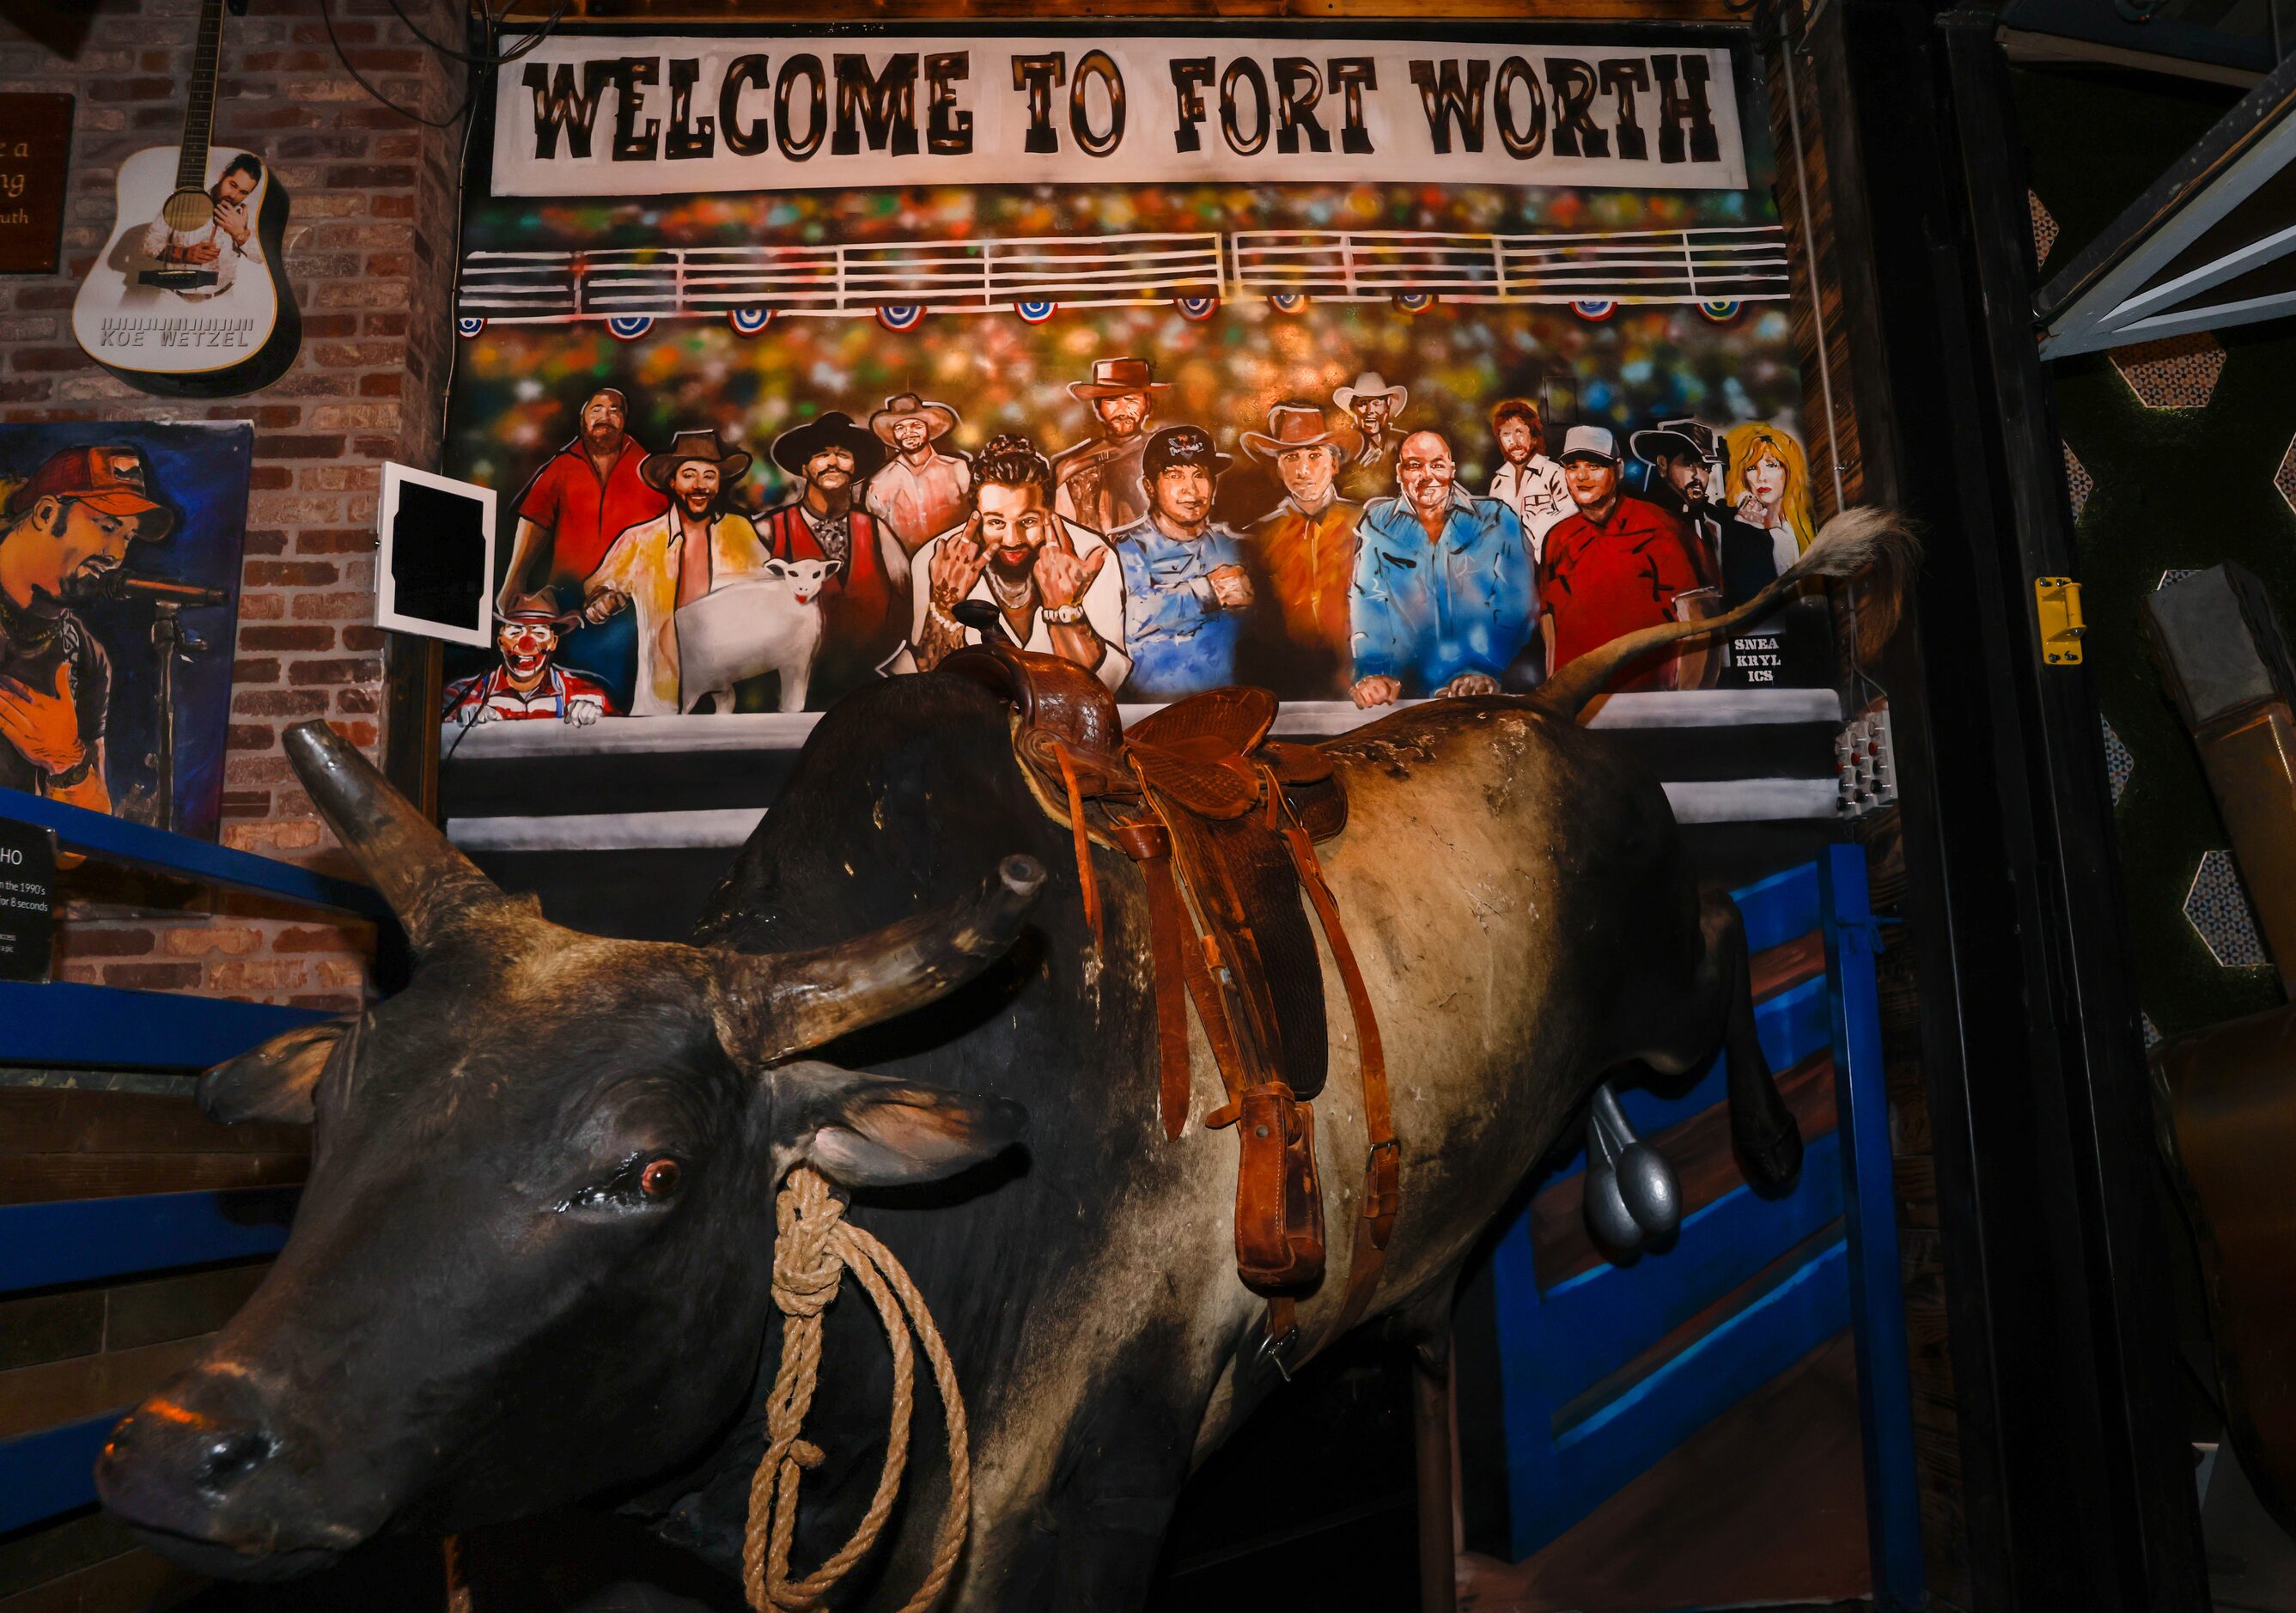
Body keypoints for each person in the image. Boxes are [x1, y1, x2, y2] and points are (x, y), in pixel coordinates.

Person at [0, 445, 175, 812]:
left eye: (126, 537)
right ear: (47, 513)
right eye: (107, 526)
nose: (116, 555)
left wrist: (67, 763)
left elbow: (79, 848)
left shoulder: (84, 653)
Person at [893, 434, 1130, 691]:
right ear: (976, 515)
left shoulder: (1090, 554)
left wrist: (1065, 611)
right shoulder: (937, 559)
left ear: (1050, 513)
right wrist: (944, 608)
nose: (1012, 539)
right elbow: (933, 686)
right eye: (995, 522)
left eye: (1028, 521)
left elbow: (1104, 686)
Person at [580, 429, 770, 717]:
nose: (700, 485)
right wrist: (603, 602)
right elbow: (597, 592)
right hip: (659, 698)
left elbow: (772, 594)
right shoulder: (640, 540)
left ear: (719, 484)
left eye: (709, 476)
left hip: (729, 698)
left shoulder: (740, 531)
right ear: (672, 481)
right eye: (689, 475)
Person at [1349, 429, 1533, 708]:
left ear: (1452, 469)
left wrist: (1485, 668)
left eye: (1437, 465)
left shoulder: (1496, 518)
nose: (1427, 476)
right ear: (1400, 472)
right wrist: (1375, 672)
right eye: (1415, 465)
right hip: (1405, 697)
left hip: (1495, 692)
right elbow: (1368, 600)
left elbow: (1517, 603)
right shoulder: (1376, 523)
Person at [1538, 425, 1720, 693]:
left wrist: (1687, 708)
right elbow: (1549, 623)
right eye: (1572, 467)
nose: (1582, 476)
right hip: (1577, 708)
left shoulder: (1663, 529)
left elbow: (1700, 622)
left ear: (1619, 469)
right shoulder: (1557, 539)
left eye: (1594, 465)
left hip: (1650, 706)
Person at [757, 411, 905, 705]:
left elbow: (906, 594)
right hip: (789, 691)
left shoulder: (877, 531)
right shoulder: (769, 531)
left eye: (842, 455)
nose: (833, 462)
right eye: (822, 455)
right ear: (804, 467)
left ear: (855, 467)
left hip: (867, 688)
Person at [1109, 426, 1253, 699]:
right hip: (1148, 713)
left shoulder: (1236, 548)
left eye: (1200, 475)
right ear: (1149, 487)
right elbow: (1124, 620)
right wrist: (1208, 592)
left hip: (1232, 709)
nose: (1191, 489)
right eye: (1175, 475)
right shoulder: (1123, 550)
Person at [496, 388, 669, 612]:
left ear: (624, 421)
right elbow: (535, 518)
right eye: (596, 410)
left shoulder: (648, 471)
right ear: (583, 419)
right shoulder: (562, 466)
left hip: (632, 605)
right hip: (566, 599)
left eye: (614, 411)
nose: (605, 417)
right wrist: (514, 579)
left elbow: (669, 536)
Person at [1241, 400, 1360, 691]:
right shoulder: (1259, 536)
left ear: (1334, 464)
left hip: (1358, 678)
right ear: (1280, 468)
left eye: (1315, 456)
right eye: (1292, 457)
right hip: (1283, 681)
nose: (1303, 470)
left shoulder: (1365, 525)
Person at [1631, 417, 1778, 604]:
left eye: (1704, 467)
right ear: (1662, 465)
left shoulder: (1722, 520)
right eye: (1688, 463)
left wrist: (1750, 531)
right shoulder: (1641, 520)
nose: (1698, 475)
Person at [439, 597, 616, 726]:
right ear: (500, 640)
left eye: (539, 633)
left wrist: (600, 722)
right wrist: (457, 718)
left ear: (553, 642)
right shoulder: (459, 694)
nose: (526, 645)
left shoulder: (589, 695)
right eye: (515, 631)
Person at [1051, 357, 1166, 534]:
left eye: (1131, 400)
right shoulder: (1072, 467)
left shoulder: (1165, 456)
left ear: (1147, 404)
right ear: (1098, 406)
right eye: (1112, 400)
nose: (1122, 410)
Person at [136, 154, 263, 301]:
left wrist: (240, 234)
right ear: (222, 175)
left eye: (243, 192)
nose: (233, 195)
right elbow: (147, 244)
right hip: (172, 298)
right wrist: (183, 254)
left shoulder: (247, 214)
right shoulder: (184, 201)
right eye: (232, 185)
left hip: (220, 302)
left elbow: (261, 257)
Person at [863, 393, 971, 559]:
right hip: (905, 568)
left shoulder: (958, 468)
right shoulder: (880, 482)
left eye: (916, 425)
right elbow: (876, 537)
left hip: (956, 562)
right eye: (900, 428)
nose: (909, 433)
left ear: (928, 428)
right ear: (893, 434)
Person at [1724, 421, 1817, 579]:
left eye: (1771, 465)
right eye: (1752, 468)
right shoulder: (1739, 529)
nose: (1762, 477)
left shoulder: (1801, 527)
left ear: (1788, 471)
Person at [1488, 398, 1573, 561]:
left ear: (1533, 436)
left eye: (1519, 432)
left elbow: (1570, 523)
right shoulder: (1498, 483)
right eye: (1506, 434)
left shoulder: (1554, 473)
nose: (1514, 440)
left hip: (1549, 565)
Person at [1333, 371, 1407, 484]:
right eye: (1362, 403)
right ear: (1352, 408)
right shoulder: (1342, 447)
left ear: (1387, 406)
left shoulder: (1403, 441)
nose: (1369, 411)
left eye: (1376, 404)